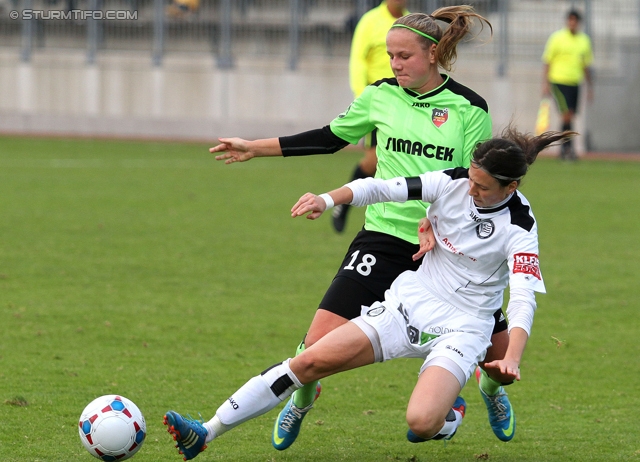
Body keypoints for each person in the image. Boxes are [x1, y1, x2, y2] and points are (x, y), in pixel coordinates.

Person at [164, 127, 575, 460]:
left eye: (482, 187)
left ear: (511, 186)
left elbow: (523, 298)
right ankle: (206, 432)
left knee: (421, 422)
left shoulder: (520, 227)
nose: (471, 190)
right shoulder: (452, 182)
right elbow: (381, 188)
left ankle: (452, 414)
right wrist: (328, 199)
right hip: (407, 302)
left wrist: (513, 359)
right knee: (307, 361)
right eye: (471, 179)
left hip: (464, 327)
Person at [210, 6, 515, 450]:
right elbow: (329, 137)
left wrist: (433, 219)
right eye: (391, 56)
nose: (395, 64)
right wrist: (254, 148)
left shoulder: (469, 108)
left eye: (404, 56)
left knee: (500, 358)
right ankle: (301, 401)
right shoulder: (380, 96)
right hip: (385, 236)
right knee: (314, 344)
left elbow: (468, 180)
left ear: (433, 54)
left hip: (448, 247)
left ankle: (491, 391)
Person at [333, 0, 410, 233]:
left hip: (409, 104)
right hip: (381, 106)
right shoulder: (370, 21)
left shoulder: (411, 21)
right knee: (374, 161)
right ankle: (343, 204)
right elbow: (357, 58)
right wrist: (361, 97)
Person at [542, 9, 593, 160]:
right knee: (567, 115)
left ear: (578, 23)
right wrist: (545, 83)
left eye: (574, 20)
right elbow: (547, 61)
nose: (572, 23)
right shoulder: (557, 38)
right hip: (558, 81)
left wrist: (590, 86)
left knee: (570, 116)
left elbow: (586, 65)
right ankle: (567, 149)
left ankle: (565, 149)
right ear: (567, 21)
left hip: (575, 83)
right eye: (570, 20)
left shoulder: (584, 40)